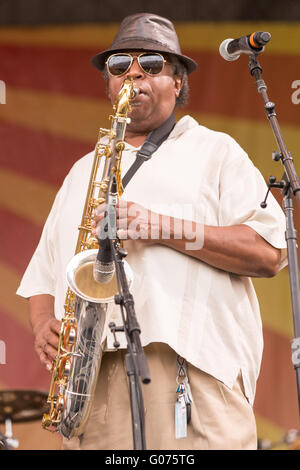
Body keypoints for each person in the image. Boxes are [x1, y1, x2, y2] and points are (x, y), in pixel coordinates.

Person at [17, 13, 287, 450]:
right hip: (93, 385)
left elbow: (270, 252)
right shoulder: (83, 171)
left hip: (188, 372)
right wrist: (43, 321)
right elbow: (44, 273)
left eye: (152, 64)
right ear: (109, 83)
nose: (134, 74)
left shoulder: (215, 151)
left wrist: (161, 227)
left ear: (178, 82)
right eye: (120, 65)